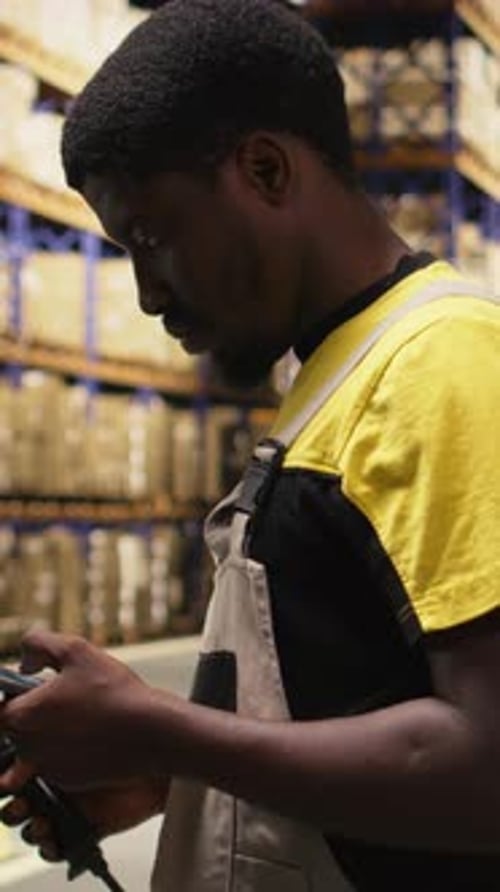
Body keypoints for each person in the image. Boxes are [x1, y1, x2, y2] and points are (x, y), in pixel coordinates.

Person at [2, 1, 500, 889]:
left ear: (266, 169)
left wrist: (162, 728)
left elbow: (487, 760)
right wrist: (184, 779)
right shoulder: (338, 376)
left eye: (154, 239)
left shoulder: (442, 361)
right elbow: (366, 703)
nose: (149, 295)